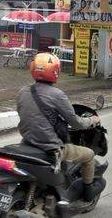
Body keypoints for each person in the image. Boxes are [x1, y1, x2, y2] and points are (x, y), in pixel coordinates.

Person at [16, 53, 104, 202]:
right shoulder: (57, 95)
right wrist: (92, 120)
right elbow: (76, 122)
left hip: (27, 143)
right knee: (89, 155)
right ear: (55, 71)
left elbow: (27, 114)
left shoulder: (23, 91)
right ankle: (88, 194)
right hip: (50, 148)